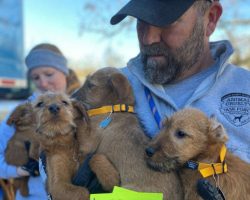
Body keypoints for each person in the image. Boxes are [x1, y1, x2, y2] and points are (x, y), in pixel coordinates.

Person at [110, 0, 250, 163]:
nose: (148, 39)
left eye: (166, 20)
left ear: (210, 19)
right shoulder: (107, 86)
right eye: (141, 20)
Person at [0, 43, 80, 200]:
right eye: (36, 77)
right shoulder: (21, 112)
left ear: (64, 72)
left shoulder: (82, 105)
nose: (43, 83)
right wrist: (19, 170)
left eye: (49, 74)